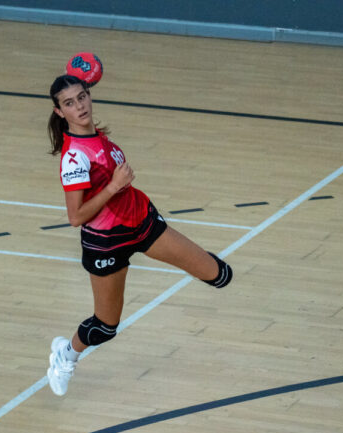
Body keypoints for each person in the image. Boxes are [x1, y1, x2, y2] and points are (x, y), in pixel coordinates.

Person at [45, 75, 232, 396]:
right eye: (70, 103)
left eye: (82, 97)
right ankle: (67, 353)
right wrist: (114, 186)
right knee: (105, 327)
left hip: (142, 221)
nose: (80, 106)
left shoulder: (98, 136)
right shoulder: (74, 157)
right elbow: (76, 216)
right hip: (106, 243)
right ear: (59, 112)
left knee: (221, 275)